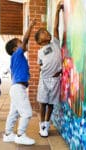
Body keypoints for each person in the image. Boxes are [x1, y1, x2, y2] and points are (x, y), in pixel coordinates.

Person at [3, 19, 36, 145]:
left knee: (14, 112)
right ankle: (20, 135)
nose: (24, 44)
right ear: (16, 48)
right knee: (27, 113)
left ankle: (8, 134)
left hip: (15, 88)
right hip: (17, 89)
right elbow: (26, 38)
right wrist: (30, 26)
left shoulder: (16, 58)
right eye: (21, 43)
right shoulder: (17, 54)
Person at [34, 1, 63, 137]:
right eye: (44, 33)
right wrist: (46, 70)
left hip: (55, 79)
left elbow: (56, 26)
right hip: (44, 80)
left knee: (51, 104)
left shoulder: (55, 43)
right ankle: (41, 125)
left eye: (47, 32)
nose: (48, 33)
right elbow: (40, 64)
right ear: (40, 41)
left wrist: (57, 11)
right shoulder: (40, 51)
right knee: (43, 102)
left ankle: (46, 124)